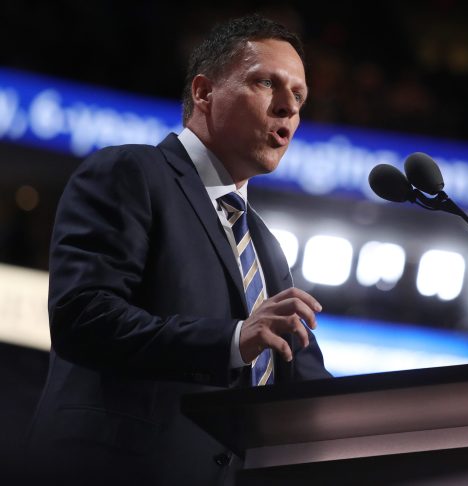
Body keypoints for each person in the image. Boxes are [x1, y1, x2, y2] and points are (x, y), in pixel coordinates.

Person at [26, 14, 331, 485]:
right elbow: (83, 317)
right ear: (204, 92)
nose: (288, 107)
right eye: (266, 83)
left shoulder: (265, 247)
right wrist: (232, 340)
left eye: (299, 96)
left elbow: (310, 391)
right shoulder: (131, 172)